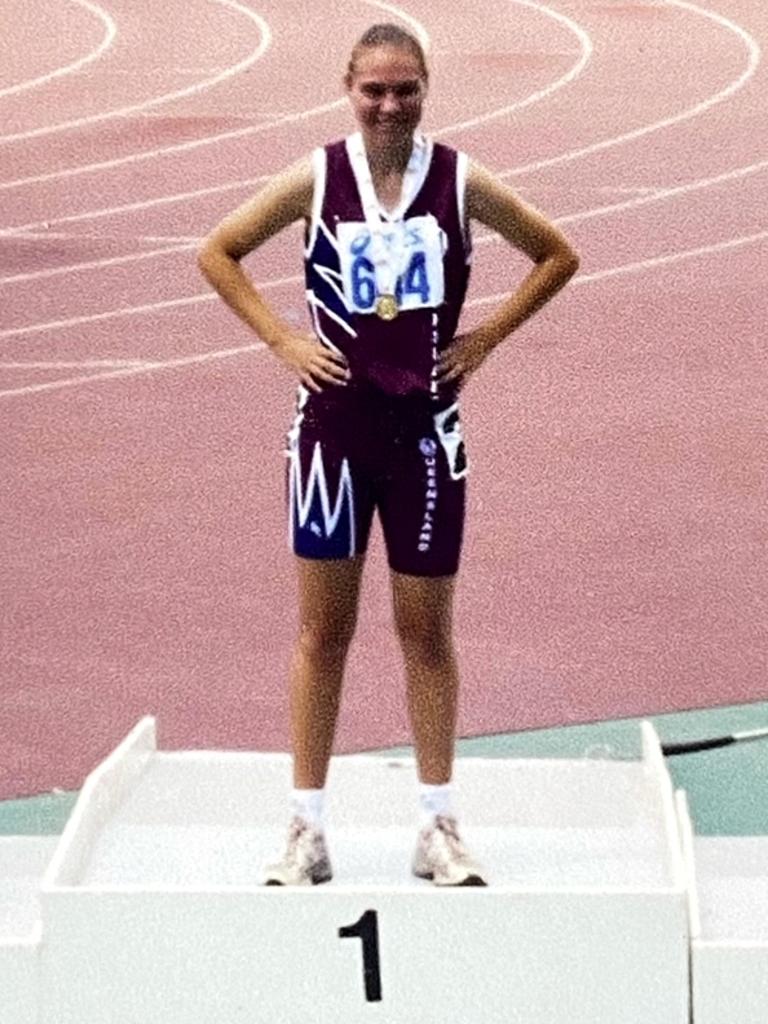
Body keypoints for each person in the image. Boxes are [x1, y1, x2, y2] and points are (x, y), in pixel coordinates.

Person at [197, 23, 579, 887]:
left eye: (404, 89)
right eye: (374, 89)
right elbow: (217, 252)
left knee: (427, 635)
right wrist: (281, 341)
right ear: (348, 88)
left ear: (426, 89)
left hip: (427, 442)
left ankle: (438, 825)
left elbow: (557, 254)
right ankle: (305, 827)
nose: (389, 104)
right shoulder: (318, 175)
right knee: (321, 632)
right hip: (332, 435)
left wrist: (485, 339)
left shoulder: (460, 179)